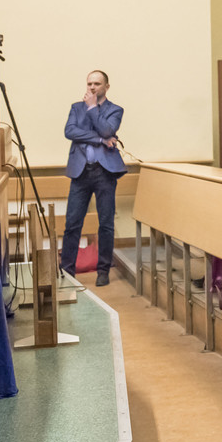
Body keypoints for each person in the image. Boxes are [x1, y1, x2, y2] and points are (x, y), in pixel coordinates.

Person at [60, 70, 127, 286]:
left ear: (106, 86)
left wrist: (92, 108)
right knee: (72, 224)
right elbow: (70, 131)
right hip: (80, 172)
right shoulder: (75, 107)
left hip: (104, 172)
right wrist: (99, 139)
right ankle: (67, 272)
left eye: (97, 83)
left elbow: (107, 130)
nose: (92, 87)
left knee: (106, 223)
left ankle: (103, 270)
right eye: (89, 83)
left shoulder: (115, 109)